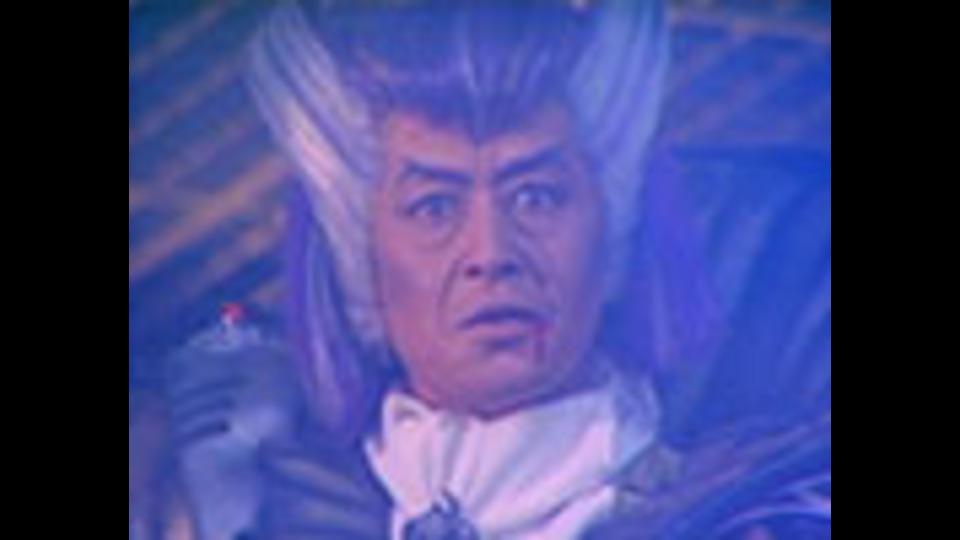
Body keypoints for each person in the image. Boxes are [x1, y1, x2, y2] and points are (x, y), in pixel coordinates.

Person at [159, 1, 831, 539]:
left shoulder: (767, 508)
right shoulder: (217, 493)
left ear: (609, 227)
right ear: (361, 251)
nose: (491, 253)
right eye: (434, 207)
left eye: (536, 197)